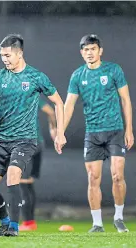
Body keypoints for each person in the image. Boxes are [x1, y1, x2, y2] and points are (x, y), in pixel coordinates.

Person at [0, 34, 66, 237]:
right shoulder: (0, 76)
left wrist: (60, 133)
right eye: (2, 55)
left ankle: (14, 227)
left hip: (25, 140)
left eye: (8, 55)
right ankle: (5, 222)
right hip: (2, 140)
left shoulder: (36, 77)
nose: (4, 59)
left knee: (13, 175)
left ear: (19, 54)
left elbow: (59, 103)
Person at [64, 34, 133, 233]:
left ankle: (119, 218)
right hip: (93, 134)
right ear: (81, 53)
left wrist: (129, 129)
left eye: (93, 49)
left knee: (117, 175)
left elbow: (126, 100)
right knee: (93, 178)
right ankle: (97, 224)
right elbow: (69, 105)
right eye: (86, 50)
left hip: (115, 131)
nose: (89, 53)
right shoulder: (78, 75)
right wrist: (60, 132)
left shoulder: (113, 70)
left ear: (100, 51)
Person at [19, 98, 56, 231]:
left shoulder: (8, 97)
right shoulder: (32, 95)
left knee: (22, 182)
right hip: (38, 143)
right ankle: (30, 222)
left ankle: (28, 223)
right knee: (28, 182)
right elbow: (51, 111)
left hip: (26, 144)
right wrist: (53, 129)